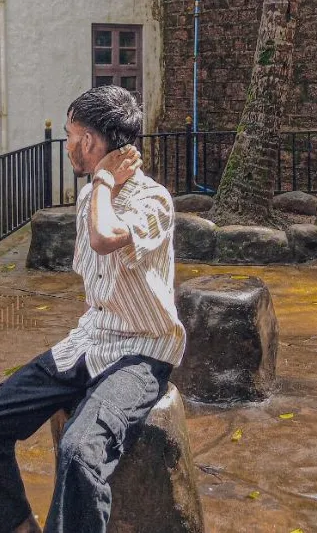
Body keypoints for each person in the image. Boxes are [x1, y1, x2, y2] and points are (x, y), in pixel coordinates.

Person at [0, 85, 186, 533]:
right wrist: (99, 188)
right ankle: (20, 524)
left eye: (70, 136)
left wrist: (103, 179)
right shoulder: (88, 200)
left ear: (88, 142)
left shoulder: (153, 200)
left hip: (142, 350)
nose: (67, 146)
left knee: (80, 451)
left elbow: (105, 238)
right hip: (90, 341)